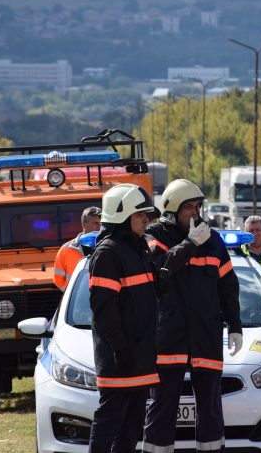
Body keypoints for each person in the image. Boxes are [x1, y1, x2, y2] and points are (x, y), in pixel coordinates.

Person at [143, 179, 243, 453]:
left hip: (206, 336)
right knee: (162, 409)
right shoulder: (155, 236)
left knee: (211, 409)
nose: (197, 214)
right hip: (169, 338)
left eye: (199, 207)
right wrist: (188, 244)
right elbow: (159, 273)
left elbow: (228, 285)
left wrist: (235, 325)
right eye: (190, 208)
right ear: (173, 211)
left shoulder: (213, 241)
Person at [88, 184, 160, 453]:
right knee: (109, 422)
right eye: (141, 215)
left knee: (132, 426)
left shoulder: (138, 249)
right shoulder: (108, 252)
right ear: (122, 215)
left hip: (140, 356)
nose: (146, 220)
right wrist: (119, 347)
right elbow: (103, 308)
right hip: (120, 358)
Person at [53, 206, 102, 291]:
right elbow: (58, 280)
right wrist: (72, 294)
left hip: (103, 300)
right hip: (79, 302)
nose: (99, 227)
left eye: (101, 223)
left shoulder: (109, 247)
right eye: (95, 223)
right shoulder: (66, 249)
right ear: (83, 224)